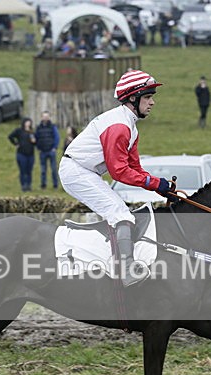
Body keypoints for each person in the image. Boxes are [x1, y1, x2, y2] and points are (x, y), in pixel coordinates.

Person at [59, 69, 173, 287]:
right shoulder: (119, 127)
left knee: (120, 212)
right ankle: (127, 269)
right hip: (76, 171)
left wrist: (160, 187)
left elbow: (135, 168)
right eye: (148, 97)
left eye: (151, 98)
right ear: (133, 98)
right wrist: (156, 184)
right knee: (120, 213)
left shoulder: (130, 126)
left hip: (86, 171)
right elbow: (119, 172)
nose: (152, 103)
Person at [8, 117, 36, 192]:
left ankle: (29, 185)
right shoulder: (19, 131)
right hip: (21, 154)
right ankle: (23, 185)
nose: (28, 124)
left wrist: (34, 141)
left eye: (29, 122)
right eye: (27, 122)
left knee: (29, 170)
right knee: (23, 170)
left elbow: (35, 142)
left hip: (31, 154)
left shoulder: (32, 132)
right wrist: (16, 143)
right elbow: (10, 136)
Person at [35, 111, 60, 189]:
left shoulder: (53, 127)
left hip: (51, 151)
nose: (45, 118)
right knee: (43, 170)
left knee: (53, 169)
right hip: (42, 151)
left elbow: (57, 137)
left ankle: (55, 185)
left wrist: (54, 147)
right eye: (44, 116)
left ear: (49, 117)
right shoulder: (38, 127)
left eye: (47, 116)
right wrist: (38, 148)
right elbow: (36, 138)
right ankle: (43, 185)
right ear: (41, 117)